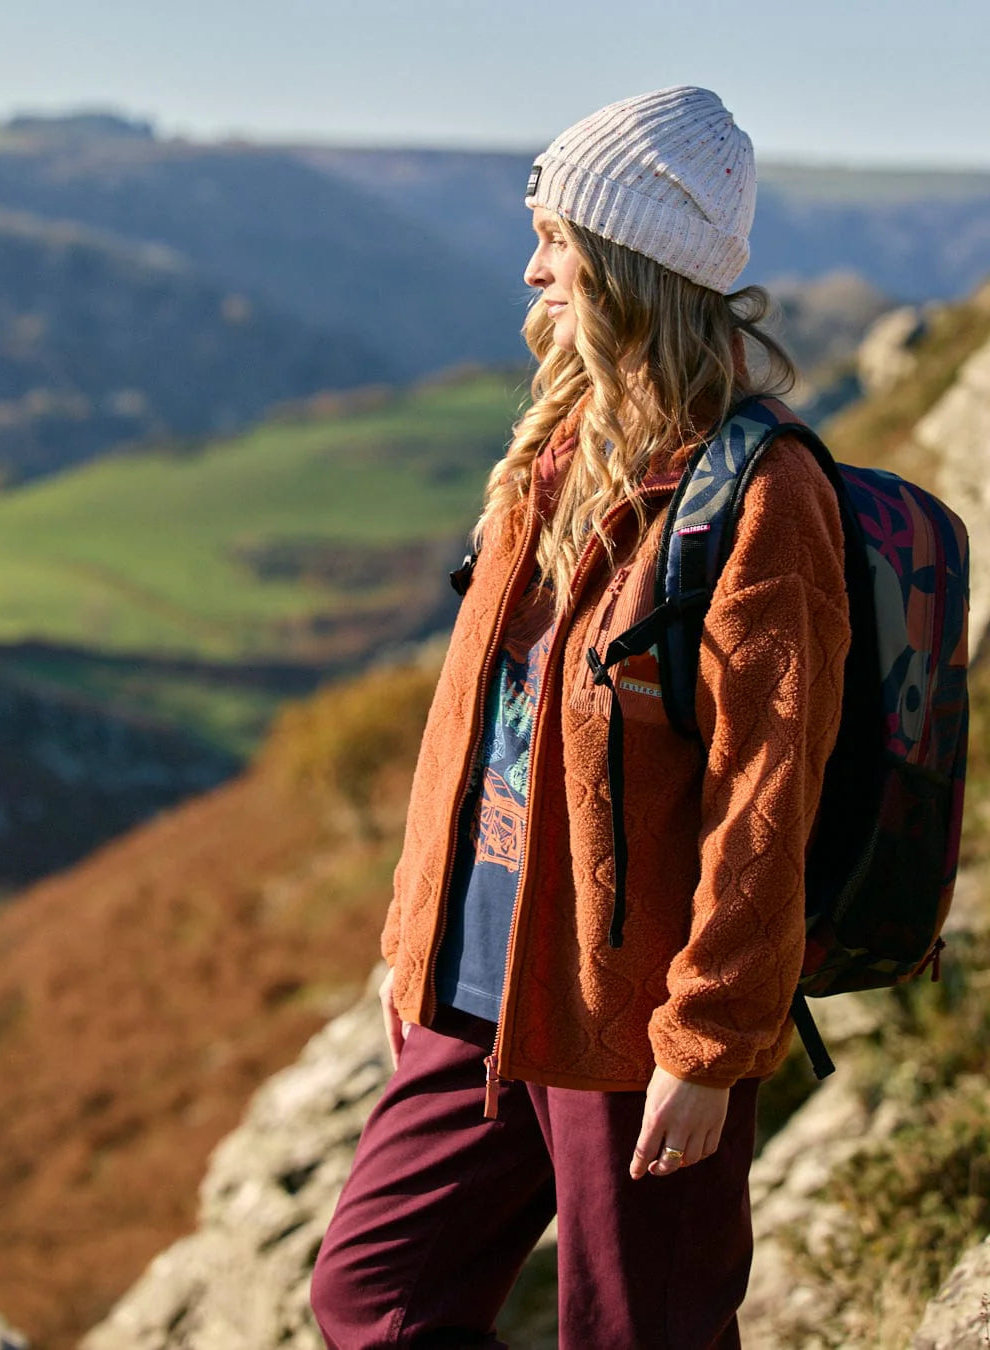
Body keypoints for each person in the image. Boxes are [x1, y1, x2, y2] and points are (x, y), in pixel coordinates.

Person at [310, 85, 852, 1349]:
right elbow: (471, 725)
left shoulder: (758, 496)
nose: (532, 266)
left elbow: (766, 802)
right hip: (477, 987)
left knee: (637, 1333)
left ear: (623, 264)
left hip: (632, 1019)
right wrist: (414, 936)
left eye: (555, 239)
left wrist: (710, 1044)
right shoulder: (551, 453)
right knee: (373, 1296)